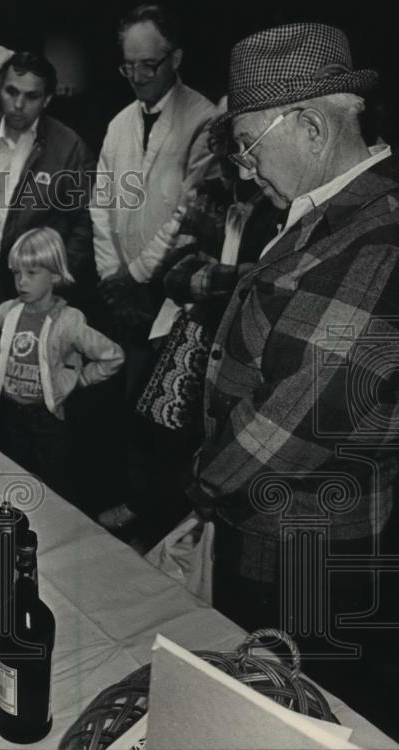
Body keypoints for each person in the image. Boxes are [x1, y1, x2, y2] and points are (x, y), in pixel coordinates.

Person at [189, 22, 397, 730]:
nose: (245, 166)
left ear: (309, 127)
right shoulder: (329, 213)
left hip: (317, 564)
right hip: (284, 539)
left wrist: (192, 494)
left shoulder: (378, 238)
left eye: (249, 144)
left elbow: (287, 423)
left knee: (301, 721)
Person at [90, 4, 219, 533]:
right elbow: (101, 205)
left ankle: (162, 517)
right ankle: (138, 503)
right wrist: (108, 275)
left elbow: (188, 216)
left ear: (176, 58)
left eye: (150, 64)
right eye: (129, 66)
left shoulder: (205, 118)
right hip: (121, 290)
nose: (139, 77)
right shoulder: (119, 123)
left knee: (168, 413)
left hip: (171, 295)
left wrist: (135, 276)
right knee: (128, 405)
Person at [0, 228, 123, 499]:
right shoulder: (6, 312)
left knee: (54, 485)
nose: (21, 282)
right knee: (17, 479)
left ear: (54, 274)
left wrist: (80, 378)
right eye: (17, 273)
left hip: (47, 420)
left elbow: (113, 356)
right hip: (11, 414)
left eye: (32, 273)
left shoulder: (69, 321)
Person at [0, 51, 96, 316]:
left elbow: (84, 223)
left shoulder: (70, 149)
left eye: (31, 96)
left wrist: (58, 280)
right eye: (12, 92)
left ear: (47, 100)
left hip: (41, 288)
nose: (19, 104)